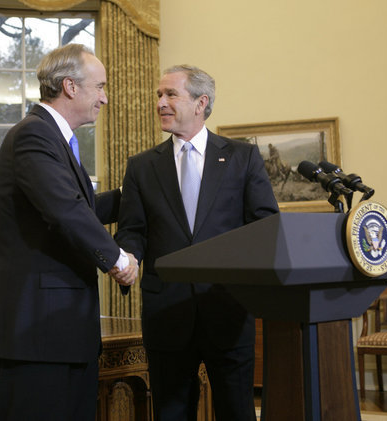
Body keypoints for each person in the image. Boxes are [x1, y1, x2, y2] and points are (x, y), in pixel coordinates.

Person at [114, 65, 279, 420]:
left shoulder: (241, 157)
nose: (160, 102)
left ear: (201, 102)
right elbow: (133, 230)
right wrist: (128, 257)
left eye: (170, 94)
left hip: (228, 309)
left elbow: (265, 226)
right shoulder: (141, 167)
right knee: (172, 413)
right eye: (159, 95)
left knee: (237, 412)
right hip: (166, 313)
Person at [0, 43, 138, 421]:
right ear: (70, 86)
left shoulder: (55, 138)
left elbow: (78, 206)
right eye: (99, 86)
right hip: (39, 338)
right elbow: (65, 210)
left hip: (63, 336)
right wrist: (118, 259)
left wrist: (135, 196)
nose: (105, 97)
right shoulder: (33, 135)